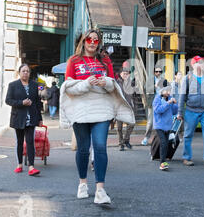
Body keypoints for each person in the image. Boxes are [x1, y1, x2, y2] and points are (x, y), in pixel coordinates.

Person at [60, 29, 135, 204]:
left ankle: (100, 189)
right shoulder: (74, 60)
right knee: (83, 148)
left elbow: (113, 84)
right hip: (81, 109)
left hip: (101, 108)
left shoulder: (105, 60)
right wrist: (86, 84)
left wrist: (106, 82)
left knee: (100, 146)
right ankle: (83, 183)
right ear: (83, 41)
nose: (93, 42)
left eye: (96, 40)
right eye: (89, 39)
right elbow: (68, 87)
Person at [177, 55, 204, 167]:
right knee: (188, 135)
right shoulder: (187, 78)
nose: (202, 64)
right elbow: (182, 97)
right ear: (193, 65)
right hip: (191, 110)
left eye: (203, 62)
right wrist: (180, 113)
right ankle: (186, 158)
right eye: (199, 62)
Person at [5, 64, 43, 176]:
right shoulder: (13, 85)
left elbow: (37, 103)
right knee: (20, 142)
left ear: (30, 73)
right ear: (19, 72)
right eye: (23, 71)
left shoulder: (34, 85)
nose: (25, 73)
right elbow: (8, 100)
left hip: (31, 117)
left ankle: (31, 166)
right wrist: (21, 103)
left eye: (27, 71)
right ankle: (20, 165)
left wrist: (40, 119)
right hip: (18, 117)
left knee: (30, 141)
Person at [153, 86, 178, 170]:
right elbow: (158, 110)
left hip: (168, 125)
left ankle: (162, 158)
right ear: (162, 90)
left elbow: (174, 111)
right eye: (167, 90)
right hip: (159, 125)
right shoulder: (157, 99)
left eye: (169, 90)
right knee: (163, 142)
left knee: (166, 143)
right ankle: (162, 163)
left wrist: (175, 104)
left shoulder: (170, 98)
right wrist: (168, 103)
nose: (168, 92)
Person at [141, 67, 167, 146]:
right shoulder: (150, 80)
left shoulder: (164, 80)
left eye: (160, 71)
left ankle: (159, 139)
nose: (158, 73)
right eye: (156, 71)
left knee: (160, 121)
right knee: (150, 122)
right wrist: (154, 86)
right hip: (152, 103)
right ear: (154, 72)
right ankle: (146, 138)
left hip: (161, 103)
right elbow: (145, 89)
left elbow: (167, 89)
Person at [115, 67, 136, 151]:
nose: (126, 75)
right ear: (120, 74)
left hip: (129, 107)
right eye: (124, 73)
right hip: (119, 107)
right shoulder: (116, 83)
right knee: (119, 127)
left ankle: (126, 140)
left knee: (131, 124)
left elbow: (134, 94)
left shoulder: (132, 83)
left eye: (127, 74)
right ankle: (121, 144)